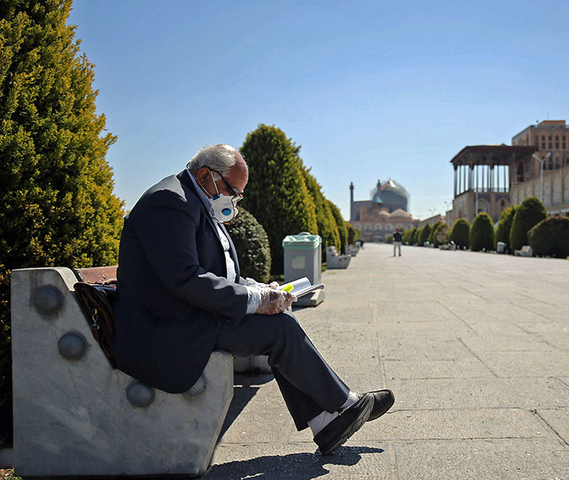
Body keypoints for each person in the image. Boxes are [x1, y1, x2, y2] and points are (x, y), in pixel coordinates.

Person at [114, 144, 393, 455]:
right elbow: (184, 278)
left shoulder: (193, 201)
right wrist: (254, 299)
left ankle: (325, 419)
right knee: (279, 331)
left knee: (278, 323)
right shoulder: (170, 202)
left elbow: (219, 275)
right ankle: (341, 405)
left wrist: (261, 289)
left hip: (189, 316)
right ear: (206, 175)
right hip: (168, 327)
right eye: (233, 190)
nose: (235, 200)